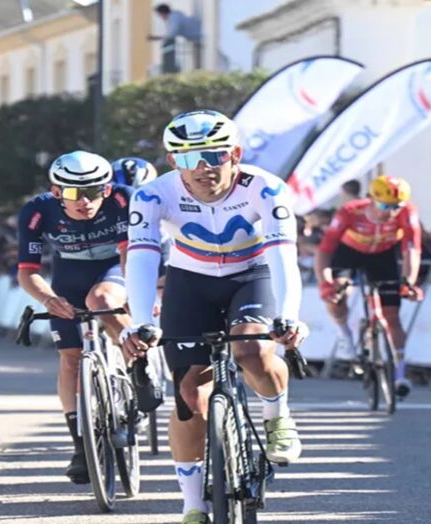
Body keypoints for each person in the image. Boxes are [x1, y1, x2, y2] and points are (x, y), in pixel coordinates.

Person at [119, 111, 308, 524]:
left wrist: (289, 315)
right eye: (189, 159)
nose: (203, 168)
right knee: (189, 396)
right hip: (190, 282)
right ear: (173, 161)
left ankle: (277, 417)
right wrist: (140, 320)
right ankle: (192, 504)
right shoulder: (152, 195)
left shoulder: (266, 187)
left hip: (252, 274)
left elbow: (282, 252)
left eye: (215, 156)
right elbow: (142, 257)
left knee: (252, 351)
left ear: (235, 154)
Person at [17, 150, 133, 484]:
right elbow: (27, 271)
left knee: (101, 300)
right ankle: (81, 445)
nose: (84, 201)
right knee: (70, 359)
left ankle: (137, 363)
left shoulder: (124, 200)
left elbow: (131, 256)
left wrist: (137, 299)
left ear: (106, 189)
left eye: (94, 192)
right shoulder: (37, 211)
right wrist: (48, 299)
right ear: (56, 191)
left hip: (114, 267)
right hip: (68, 275)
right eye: (72, 193)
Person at [314, 175, 424, 398]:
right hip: (349, 253)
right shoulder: (350, 211)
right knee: (337, 295)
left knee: (392, 316)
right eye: (385, 206)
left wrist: (409, 283)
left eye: (396, 206)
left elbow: (411, 249)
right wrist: (325, 284)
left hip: (382, 255)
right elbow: (324, 251)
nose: (391, 212)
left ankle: (400, 374)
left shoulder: (407, 212)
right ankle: (344, 334)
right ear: (371, 200)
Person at [149, 4, 202, 71]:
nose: (160, 17)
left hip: (197, 36)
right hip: (195, 37)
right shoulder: (174, 16)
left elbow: (172, 33)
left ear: (163, 13)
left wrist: (156, 38)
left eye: (159, 15)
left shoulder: (174, 18)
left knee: (198, 64)